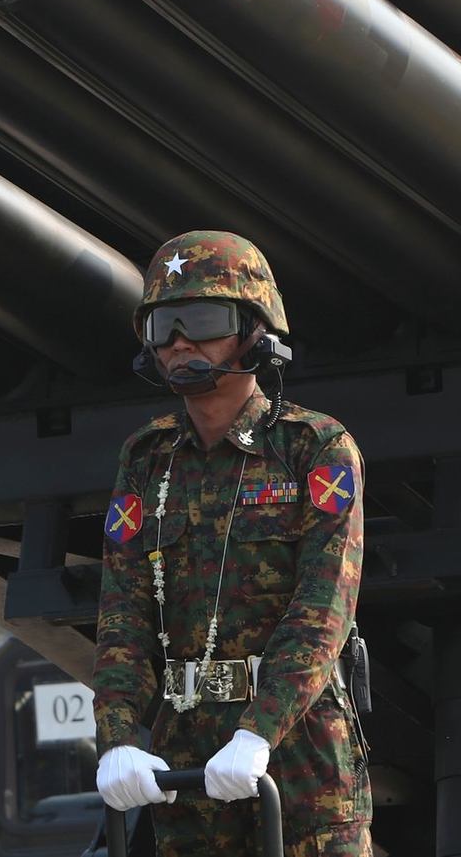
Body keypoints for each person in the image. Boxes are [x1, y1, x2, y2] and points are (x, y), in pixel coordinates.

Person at [93, 231, 372, 856]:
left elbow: (323, 608)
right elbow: (123, 619)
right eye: (162, 326)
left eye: (201, 320)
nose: (178, 343)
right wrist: (116, 737)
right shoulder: (146, 458)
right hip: (184, 748)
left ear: (254, 330)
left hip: (298, 752)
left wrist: (259, 732)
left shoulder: (315, 448)